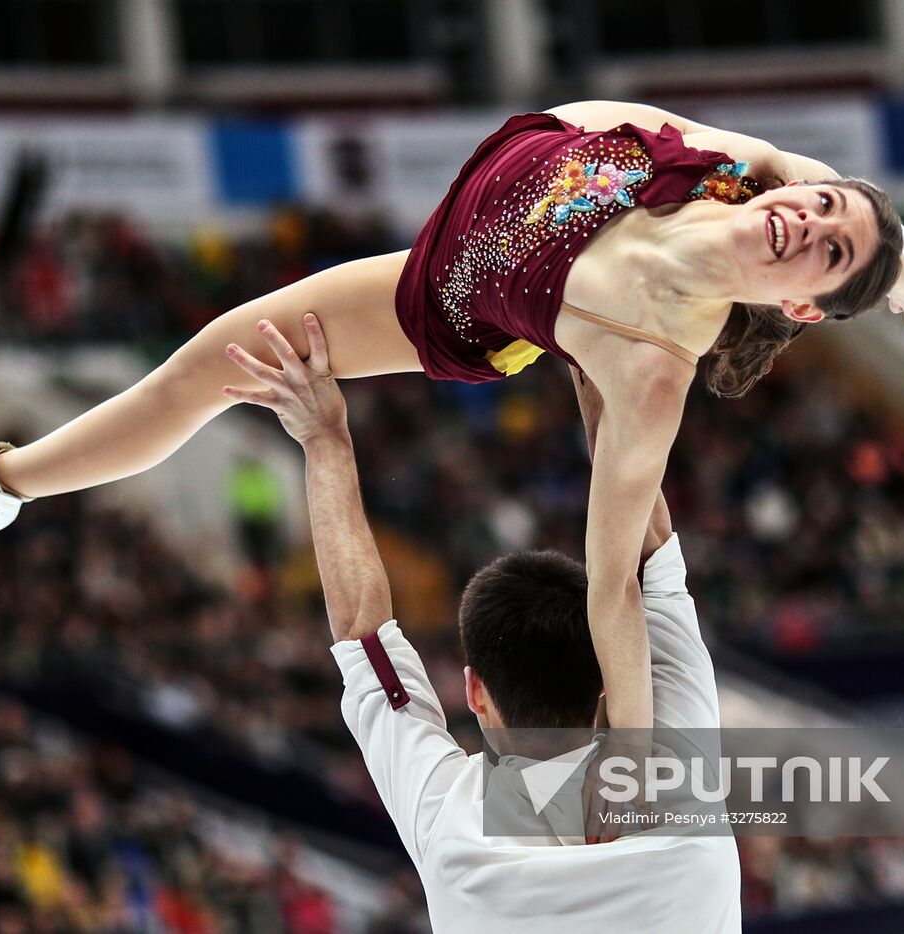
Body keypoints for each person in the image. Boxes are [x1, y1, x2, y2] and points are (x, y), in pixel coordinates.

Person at [0, 100, 904, 732]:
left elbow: (611, 586)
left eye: (828, 249)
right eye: (824, 207)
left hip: (441, 293)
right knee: (864, 229)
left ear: (797, 306)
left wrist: (635, 769)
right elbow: (822, 201)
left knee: (199, 373)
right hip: (511, 183)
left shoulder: (650, 367)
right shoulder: (746, 173)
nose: (809, 220)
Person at [230, 316, 740, 931]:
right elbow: (645, 548)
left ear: (474, 690)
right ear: (607, 673)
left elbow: (365, 634)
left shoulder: (451, 821)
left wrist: (323, 437)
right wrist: (591, 341)